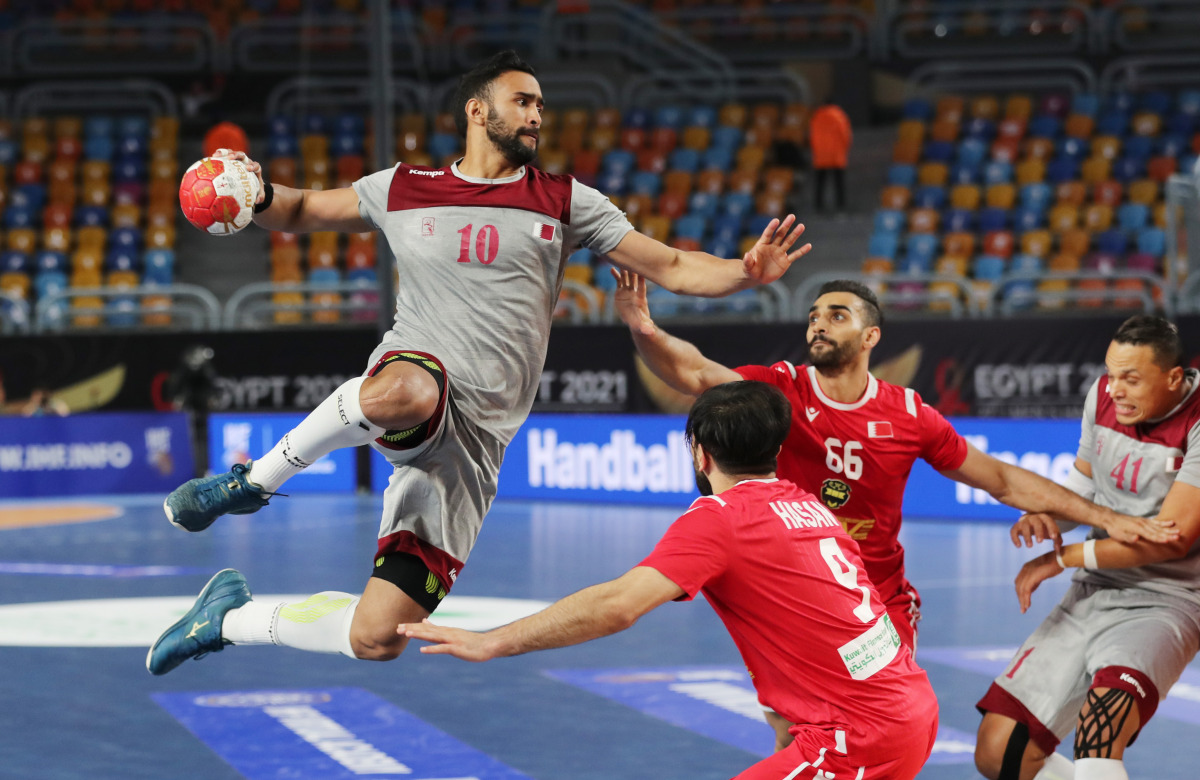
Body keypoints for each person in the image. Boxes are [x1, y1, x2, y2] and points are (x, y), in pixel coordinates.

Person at [145, 50, 812, 676]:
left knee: (379, 637)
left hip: (476, 446)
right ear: (475, 109)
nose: (535, 116)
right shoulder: (405, 188)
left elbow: (667, 264)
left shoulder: (565, 200)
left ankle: (230, 618)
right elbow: (301, 208)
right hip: (420, 377)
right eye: (522, 101)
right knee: (404, 392)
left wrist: (743, 273)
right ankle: (250, 484)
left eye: (540, 107)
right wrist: (256, 190)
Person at [611, 273, 1176, 750]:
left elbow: (1001, 479)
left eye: (836, 315)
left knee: (871, 735)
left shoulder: (908, 415)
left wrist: (1104, 516)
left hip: (876, 604)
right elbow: (695, 373)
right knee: (795, 735)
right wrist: (643, 326)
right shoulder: (781, 389)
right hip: (797, 602)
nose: (817, 324)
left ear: (870, 335)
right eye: (813, 315)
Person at [400, 381, 941, 780]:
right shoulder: (811, 508)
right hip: (909, 708)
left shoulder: (720, 518)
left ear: (700, 455)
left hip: (857, 737)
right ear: (775, 452)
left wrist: (492, 640)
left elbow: (618, 605)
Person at [975, 315, 1200, 780]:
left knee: (1099, 734)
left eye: (1130, 379)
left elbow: (1172, 541)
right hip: (1095, 586)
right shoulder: (1102, 396)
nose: (1113, 389)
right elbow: (1085, 482)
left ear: (1174, 378)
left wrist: (1061, 557)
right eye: (1110, 373)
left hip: (1171, 598)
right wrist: (1047, 516)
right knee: (999, 755)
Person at [809, 98, 852, 214]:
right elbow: (845, 135)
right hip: (836, 155)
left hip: (821, 156)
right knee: (839, 183)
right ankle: (840, 207)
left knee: (820, 183)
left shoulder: (817, 116)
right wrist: (844, 150)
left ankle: (818, 207)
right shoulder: (839, 116)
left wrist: (817, 151)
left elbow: (812, 136)